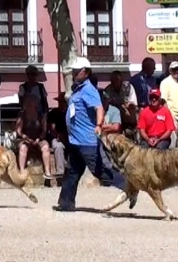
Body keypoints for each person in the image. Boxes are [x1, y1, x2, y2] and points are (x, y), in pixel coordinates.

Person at [54, 57, 135, 212]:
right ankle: (65, 203)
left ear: (86, 72)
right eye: (74, 71)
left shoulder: (89, 90)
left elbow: (99, 108)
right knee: (72, 171)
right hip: (76, 140)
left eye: (78, 71)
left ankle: (129, 186)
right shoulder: (77, 90)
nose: (75, 73)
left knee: (101, 171)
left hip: (87, 141)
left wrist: (98, 125)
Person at [16, 94, 52, 179]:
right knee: (23, 148)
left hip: (39, 138)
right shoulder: (22, 114)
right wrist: (24, 136)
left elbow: (44, 129)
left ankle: (47, 172)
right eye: (28, 103)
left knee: (46, 147)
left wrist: (39, 138)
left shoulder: (41, 115)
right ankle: (21, 171)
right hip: (25, 138)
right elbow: (18, 130)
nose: (30, 104)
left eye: (32, 102)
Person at [103, 71, 138, 141]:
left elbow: (134, 104)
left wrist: (128, 105)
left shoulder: (129, 87)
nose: (115, 82)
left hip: (128, 118)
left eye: (117, 80)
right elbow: (105, 107)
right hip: (114, 120)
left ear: (121, 80)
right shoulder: (107, 90)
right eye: (113, 80)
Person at [159, 61, 178, 148]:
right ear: (170, 71)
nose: (177, 71)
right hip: (172, 116)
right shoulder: (165, 82)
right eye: (174, 69)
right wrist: (168, 118)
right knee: (172, 143)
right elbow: (163, 101)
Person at [47, 92, 68, 176]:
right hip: (57, 137)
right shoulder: (53, 113)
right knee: (58, 146)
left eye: (64, 102)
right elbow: (52, 129)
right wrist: (59, 136)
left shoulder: (71, 112)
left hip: (70, 137)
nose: (62, 104)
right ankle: (60, 172)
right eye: (61, 102)